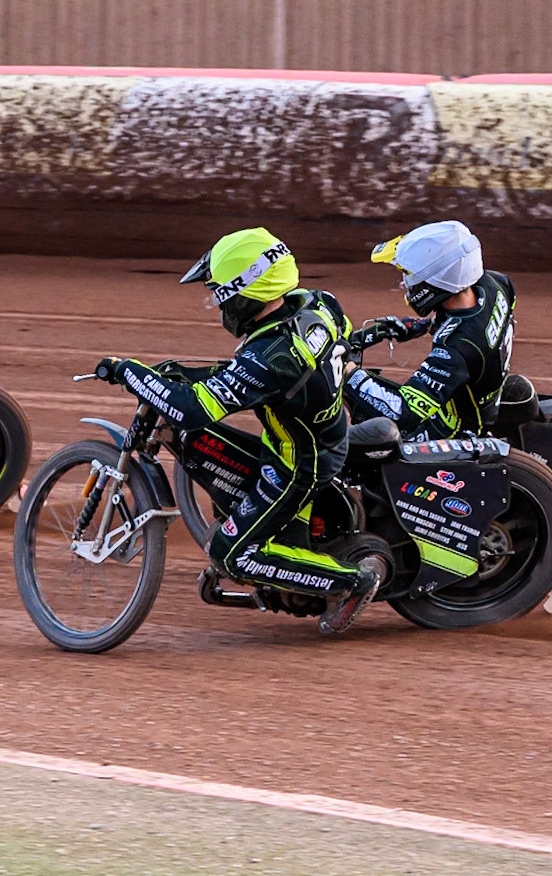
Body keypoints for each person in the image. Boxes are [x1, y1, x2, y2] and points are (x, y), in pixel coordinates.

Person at [94, 227, 385, 635]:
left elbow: (191, 410)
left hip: (298, 464)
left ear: (245, 293)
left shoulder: (270, 357)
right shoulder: (319, 303)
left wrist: (130, 372)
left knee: (231, 554)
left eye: (220, 294)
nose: (218, 304)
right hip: (316, 435)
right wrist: (184, 374)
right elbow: (259, 372)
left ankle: (352, 583)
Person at [349, 220, 552, 614]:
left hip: (455, 426)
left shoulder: (459, 349)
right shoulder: (495, 284)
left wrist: (348, 376)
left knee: (367, 442)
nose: (404, 283)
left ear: (436, 282)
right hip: (485, 392)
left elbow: (404, 413)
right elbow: (461, 317)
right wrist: (411, 327)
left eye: (409, 276)